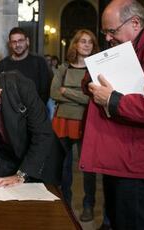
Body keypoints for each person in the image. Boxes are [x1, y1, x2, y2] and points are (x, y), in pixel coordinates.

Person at [80, 1, 144, 229]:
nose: (107, 37)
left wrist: (113, 100)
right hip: (120, 156)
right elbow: (93, 80)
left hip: (137, 162)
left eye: (111, 31)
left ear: (135, 23)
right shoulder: (124, 49)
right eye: (105, 31)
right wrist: (92, 83)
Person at [50, 29, 99, 221]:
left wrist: (68, 93)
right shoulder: (63, 68)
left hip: (87, 121)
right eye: (83, 41)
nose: (86, 45)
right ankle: (66, 204)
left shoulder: (95, 70)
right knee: (64, 167)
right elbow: (53, 93)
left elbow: (93, 100)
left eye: (90, 42)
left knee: (88, 168)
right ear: (75, 45)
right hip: (62, 121)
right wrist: (81, 96)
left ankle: (88, 205)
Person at [0, 27, 51, 104]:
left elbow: (45, 91)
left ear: (27, 41)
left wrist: (37, 110)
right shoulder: (2, 65)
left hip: (36, 111)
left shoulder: (39, 62)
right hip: (10, 113)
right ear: (10, 44)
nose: (17, 45)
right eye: (14, 42)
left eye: (20, 41)